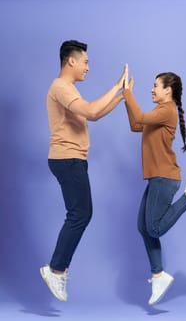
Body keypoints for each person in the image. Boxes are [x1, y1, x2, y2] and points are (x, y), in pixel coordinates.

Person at [123, 68, 186, 306]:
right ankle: (158, 276)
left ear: (168, 90)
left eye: (156, 85)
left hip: (165, 177)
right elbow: (137, 124)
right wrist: (126, 98)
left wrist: (127, 93)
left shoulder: (167, 110)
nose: (152, 89)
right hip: (158, 177)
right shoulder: (159, 112)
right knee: (143, 227)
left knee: (153, 229)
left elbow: (141, 118)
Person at [40, 40, 127, 301]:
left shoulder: (69, 90)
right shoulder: (61, 88)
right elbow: (90, 111)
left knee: (80, 213)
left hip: (71, 159)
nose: (88, 67)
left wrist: (121, 97)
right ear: (72, 61)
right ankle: (56, 269)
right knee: (80, 213)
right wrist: (115, 86)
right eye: (86, 62)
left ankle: (57, 268)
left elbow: (95, 115)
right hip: (68, 159)